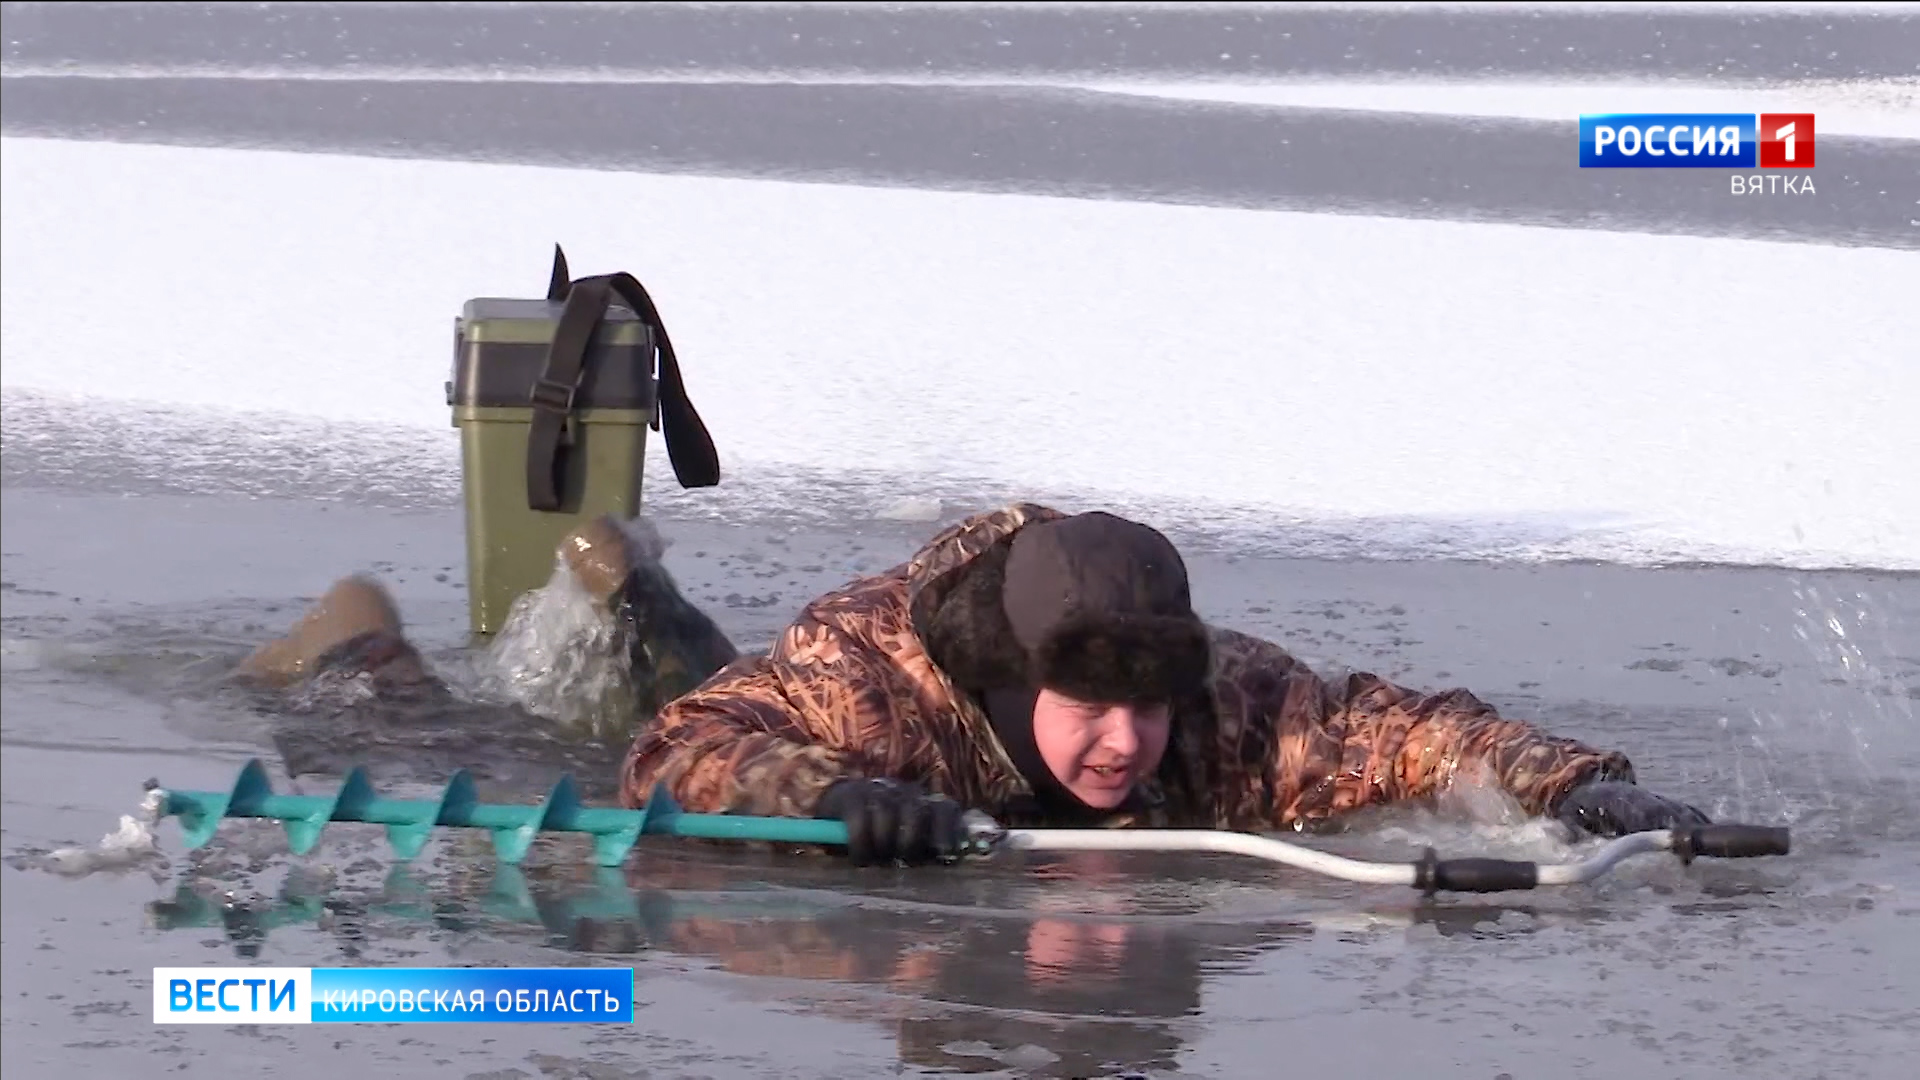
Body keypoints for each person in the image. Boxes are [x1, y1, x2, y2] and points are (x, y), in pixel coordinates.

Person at [242, 503, 1709, 867]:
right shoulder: (877, 681)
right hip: (795, 714)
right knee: (529, 754)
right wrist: (839, 799)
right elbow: (681, 758)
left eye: (1149, 708)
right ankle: (362, 640)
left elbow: (1412, 738)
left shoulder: (1228, 703)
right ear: (1018, 681)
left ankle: (642, 601)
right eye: (1091, 709)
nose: (1128, 743)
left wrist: (1583, 789)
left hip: (799, 700)